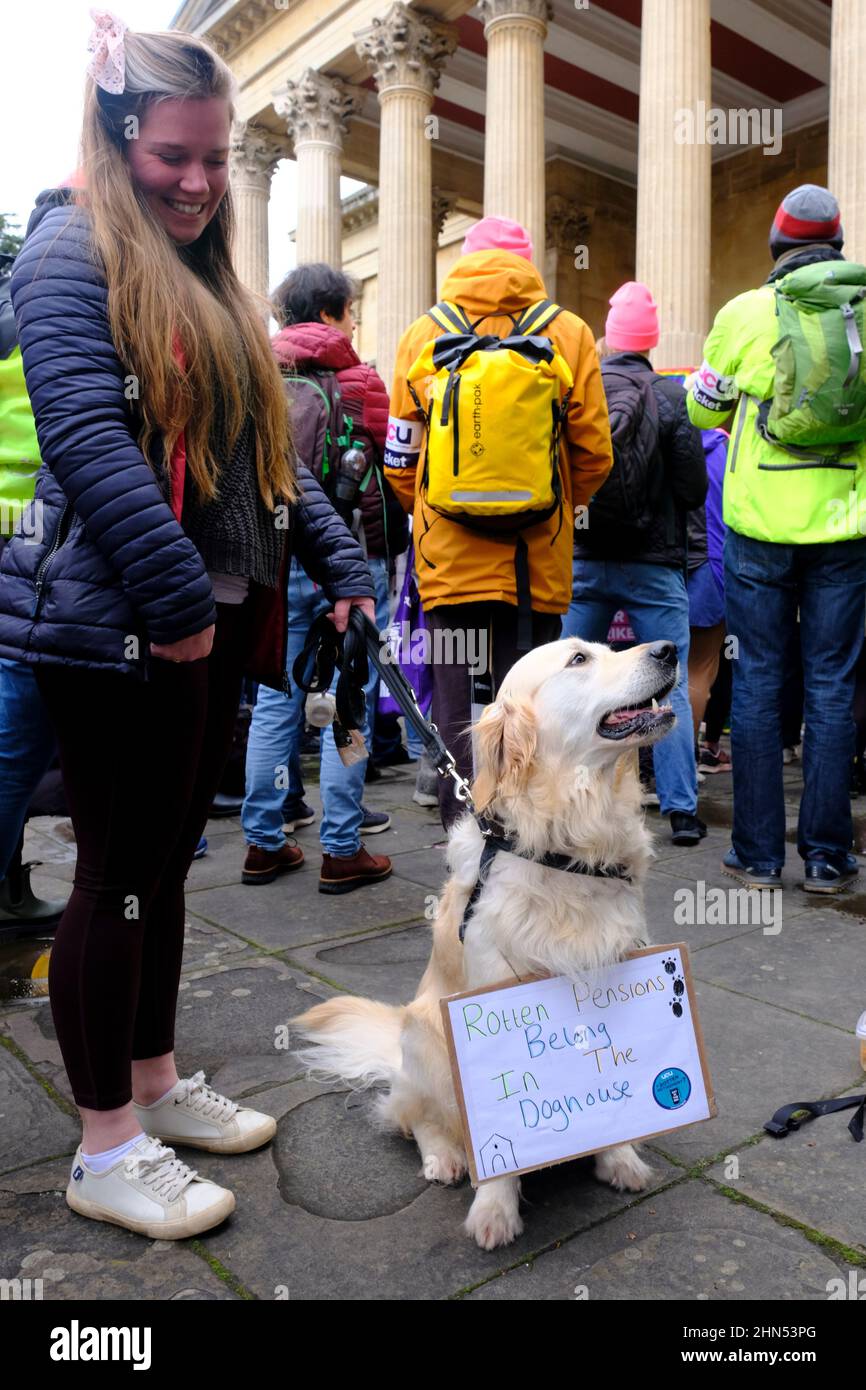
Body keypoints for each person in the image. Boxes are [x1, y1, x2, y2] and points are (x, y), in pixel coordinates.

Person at [0, 18, 374, 1239]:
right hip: (125, 631)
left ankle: (153, 1085)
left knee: (159, 873)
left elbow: (265, 454)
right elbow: (85, 442)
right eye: (175, 155)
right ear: (116, 139)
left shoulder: (203, 270)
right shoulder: (67, 252)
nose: (202, 181)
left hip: (204, 626)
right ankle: (103, 1144)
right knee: (110, 879)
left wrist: (342, 561)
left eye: (215, 158)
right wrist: (173, 610)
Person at [385, 216, 613, 828]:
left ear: (466, 260)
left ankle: (462, 838)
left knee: (457, 708)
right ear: (528, 263)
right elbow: (594, 454)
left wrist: (432, 514)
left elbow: (399, 458)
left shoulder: (422, 335)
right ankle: (532, 832)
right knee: (537, 703)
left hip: (448, 563)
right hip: (533, 565)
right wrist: (554, 509)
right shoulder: (569, 331)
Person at [687, 184, 866, 891]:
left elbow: (703, 406)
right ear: (838, 245)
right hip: (846, 527)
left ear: (776, 247)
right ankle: (827, 857)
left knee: (758, 680)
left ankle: (758, 856)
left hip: (759, 524)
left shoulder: (743, 313)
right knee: (832, 684)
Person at [242, 263, 407, 893]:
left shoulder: (257, 378)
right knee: (350, 702)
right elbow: (390, 474)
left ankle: (263, 842)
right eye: (351, 310)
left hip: (279, 558)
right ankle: (342, 847)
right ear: (334, 311)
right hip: (350, 560)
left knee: (276, 700)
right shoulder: (362, 382)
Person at [563, 283, 708, 845]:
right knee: (667, 687)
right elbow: (694, 491)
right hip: (654, 565)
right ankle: (683, 812)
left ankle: (570, 796)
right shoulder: (672, 398)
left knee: (571, 681)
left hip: (587, 560)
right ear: (651, 339)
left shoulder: (584, 388)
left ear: (608, 334)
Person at [0, 253, 67, 928]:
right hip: (33, 540)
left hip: (21, 532)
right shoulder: (60, 310)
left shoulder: (14, 305)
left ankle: (11, 889)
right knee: (16, 738)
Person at [685, 425, 731, 773]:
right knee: (700, 671)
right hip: (714, 569)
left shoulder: (674, 443)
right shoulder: (728, 451)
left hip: (669, 568)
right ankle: (684, 766)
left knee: (666, 672)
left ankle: (656, 766)